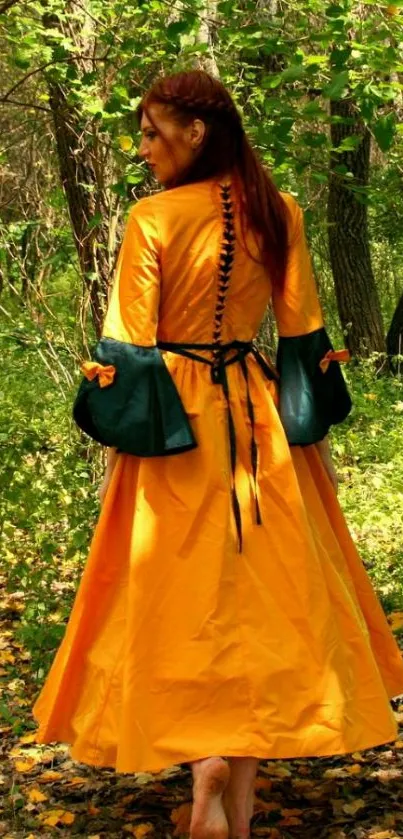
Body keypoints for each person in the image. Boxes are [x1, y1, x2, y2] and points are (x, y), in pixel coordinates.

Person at [33, 70, 403, 839]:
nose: (143, 149)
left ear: (194, 132)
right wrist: (316, 452)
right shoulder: (281, 212)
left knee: (177, 599)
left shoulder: (153, 219)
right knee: (259, 600)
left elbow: (129, 346)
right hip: (256, 423)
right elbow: (301, 335)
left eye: (150, 132)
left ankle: (200, 761)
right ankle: (234, 789)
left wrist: (114, 465)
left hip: (173, 426)